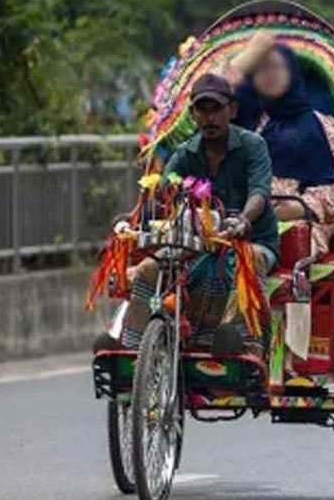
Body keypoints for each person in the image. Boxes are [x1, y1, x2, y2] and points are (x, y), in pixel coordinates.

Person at [114, 74, 279, 356]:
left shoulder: (253, 146)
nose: (209, 117)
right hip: (196, 245)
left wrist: (242, 221)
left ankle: (242, 343)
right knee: (149, 269)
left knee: (246, 260)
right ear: (193, 114)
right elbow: (160, 193)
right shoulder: (186, 153)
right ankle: (133, 349)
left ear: (232, 110)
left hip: (251, 241)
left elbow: (260, 193)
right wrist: (130, 221)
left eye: (216, 109)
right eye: (202, 110)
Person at [222, 32, 334, 259]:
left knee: (274, 250)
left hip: (297, 223)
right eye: (262, 68)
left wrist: (301, 207)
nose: (270, 75)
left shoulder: (319, 124)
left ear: (291, 71)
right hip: (239, 219)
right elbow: (210, 92)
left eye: (277, 67)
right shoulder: (241, 119)